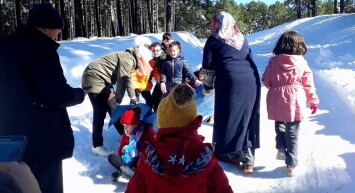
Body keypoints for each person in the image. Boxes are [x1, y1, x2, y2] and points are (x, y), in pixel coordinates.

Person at [0, 3, 86, 193]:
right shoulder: (40, 49)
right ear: (46, 27)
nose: (57, 35)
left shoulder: (6, 45)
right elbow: (57, 94)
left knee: (14, 185)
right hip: (40, 138)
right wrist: (80, 94)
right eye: (57, 30)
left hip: (8, 136)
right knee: (46, 185)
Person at [125, 84, 233, 193]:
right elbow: (223, 190)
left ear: (161, 122)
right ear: (193, 120)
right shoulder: (204, 156)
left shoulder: (149, 157)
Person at [201, 11, 261, 173]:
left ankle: (231, 154)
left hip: (229, 80)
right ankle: (248, 160)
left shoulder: (214, 39)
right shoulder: (242, 39)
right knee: (248, 116)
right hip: (251, 78)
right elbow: (251, 59)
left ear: (216, 23)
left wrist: (207, 87)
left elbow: (208, 65)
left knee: (227, 115)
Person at [262, 31, 319, 177]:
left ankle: (281, 147)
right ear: (299, 45)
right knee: (292, 133)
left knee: (279, 124)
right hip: (295, 99)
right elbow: (308, 84)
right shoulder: (302, 62)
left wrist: (275, 86)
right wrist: (313, 101)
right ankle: (291, 165)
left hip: (276, 97)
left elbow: (266, 80)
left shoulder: (273, 61)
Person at [82, 38, 149, 157]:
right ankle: (96, 145)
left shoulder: (131, 58)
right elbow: (122, 81)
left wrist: (132, 96)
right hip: (94, 77)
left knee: (114, 109)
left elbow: (128, 79)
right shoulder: (128, 59)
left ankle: (125, 136)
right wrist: (118, 99)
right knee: (100, 112)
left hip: (103, 80)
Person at [108, 107, 155, 180]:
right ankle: (127, 171)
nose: (125, 129)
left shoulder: (146, 132)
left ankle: (129, 173)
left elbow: (152, 149)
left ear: (135, 124)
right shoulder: (126, 134)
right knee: (111, 157)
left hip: (142, 161)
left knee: (145, 161)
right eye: (124, 126)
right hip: (128, 159)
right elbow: (121, 146)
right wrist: (123, 150)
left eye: (127, 126)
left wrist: (137, 152)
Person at [147, 42, 166, 110]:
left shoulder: (164, 59)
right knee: (154, 100)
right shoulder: (156, 58)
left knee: (160, 103)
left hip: (165, 84)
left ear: (161, 50)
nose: (155, 52)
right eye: (153, 50)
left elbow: (164, 73)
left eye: (157, 50)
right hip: (159, 83)